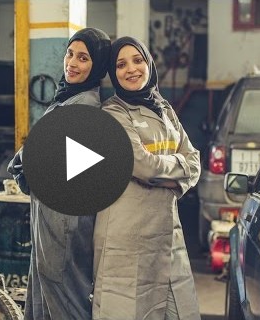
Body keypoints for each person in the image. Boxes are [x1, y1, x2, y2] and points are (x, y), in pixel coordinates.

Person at [92, 36, 201, 320]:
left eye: (137, 60)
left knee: (182, 311)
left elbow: (195, 161)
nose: (131, 69)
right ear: (113, 74)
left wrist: (168, 174)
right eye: (120, 64)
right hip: (127, 238)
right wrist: (175, 172)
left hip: (167, 235)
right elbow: (141, 165)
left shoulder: (164, 109)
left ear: (149, 63)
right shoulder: (113, 112)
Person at [7, 27, 111, 320]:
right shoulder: (67, 100)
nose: (72, 64)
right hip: (52, 219)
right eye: (70, 54)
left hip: (64, 225)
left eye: (83, 58)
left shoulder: (85, 107)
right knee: (47, 298)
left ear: (97, 67)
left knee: (65, 302)